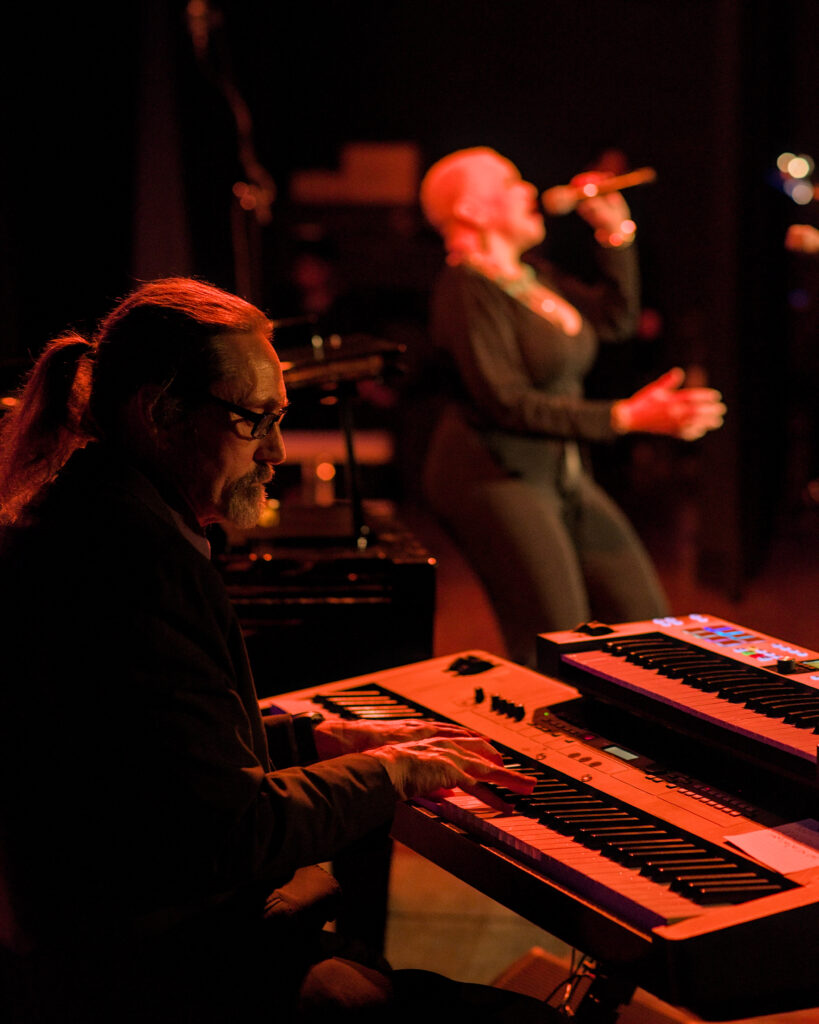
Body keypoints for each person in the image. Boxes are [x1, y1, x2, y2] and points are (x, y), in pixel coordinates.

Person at [0, 278, 560, 1023]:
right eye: (252, 420)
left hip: (121, 934)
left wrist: (316, 737)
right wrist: (390, 772)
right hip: (148, 969)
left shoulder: (91, 512)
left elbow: (154, 760)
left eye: (281, 419)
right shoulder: (132, 561)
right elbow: (226, 830)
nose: (276, 451)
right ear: (161, 411)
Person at [418, 147, 726, 666]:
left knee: (646, 623)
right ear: (470, 209)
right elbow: (507, 403)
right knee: (557, 641)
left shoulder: (530, 276)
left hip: (559, 470)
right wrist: (625, 417)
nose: (529, 191)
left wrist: (615, 234)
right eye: (512, 182)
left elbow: (614, 321)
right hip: (493, 474)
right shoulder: (465, 289)